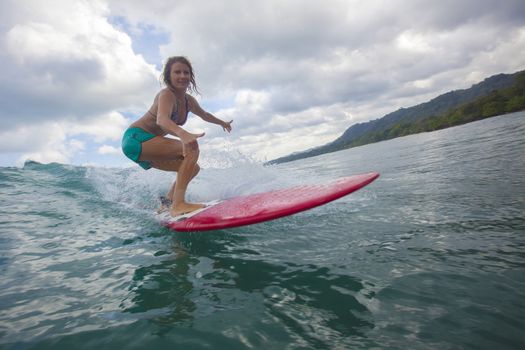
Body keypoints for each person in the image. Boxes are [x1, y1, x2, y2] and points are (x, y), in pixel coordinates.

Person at [121, 56, 233, 216]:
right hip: (136, 139)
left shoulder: (189, 101)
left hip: (146, 146)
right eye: (177, 72)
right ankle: (179, 205)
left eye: (186, 72)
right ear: (169, 76)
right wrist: (183, 134)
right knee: (192, 147)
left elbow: (204, 114)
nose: (182, 76)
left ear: (191, 76)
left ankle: (168, 203)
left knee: (192, 168)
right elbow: (162, 120)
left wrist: (222, 123)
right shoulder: (166, 94)